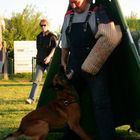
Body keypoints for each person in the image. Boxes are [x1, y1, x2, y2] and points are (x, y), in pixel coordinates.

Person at [60, 0, 122, 140]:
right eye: (71, 2)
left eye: (75, 2)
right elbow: (65, 43)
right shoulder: (68, 15)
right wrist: (63, 61)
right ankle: (71, 137)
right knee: (71, 102)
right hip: (74, 65)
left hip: (95, 66)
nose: (73, 6)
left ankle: (107, 137)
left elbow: (109, 37)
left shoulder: (97, 11)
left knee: (101, 104)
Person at [25, 18, 57, 104]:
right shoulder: (38, 36)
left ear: (48, 26)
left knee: (53, 81)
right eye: (41, 25)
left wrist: (49, 57)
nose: (43, 27)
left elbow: (55, 48)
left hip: (49, 62)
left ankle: (56, 98)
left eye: (44, 25)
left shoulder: (52, 36)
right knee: (36, 81)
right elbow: (38, 49)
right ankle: (31, 99)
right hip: (40, 62)